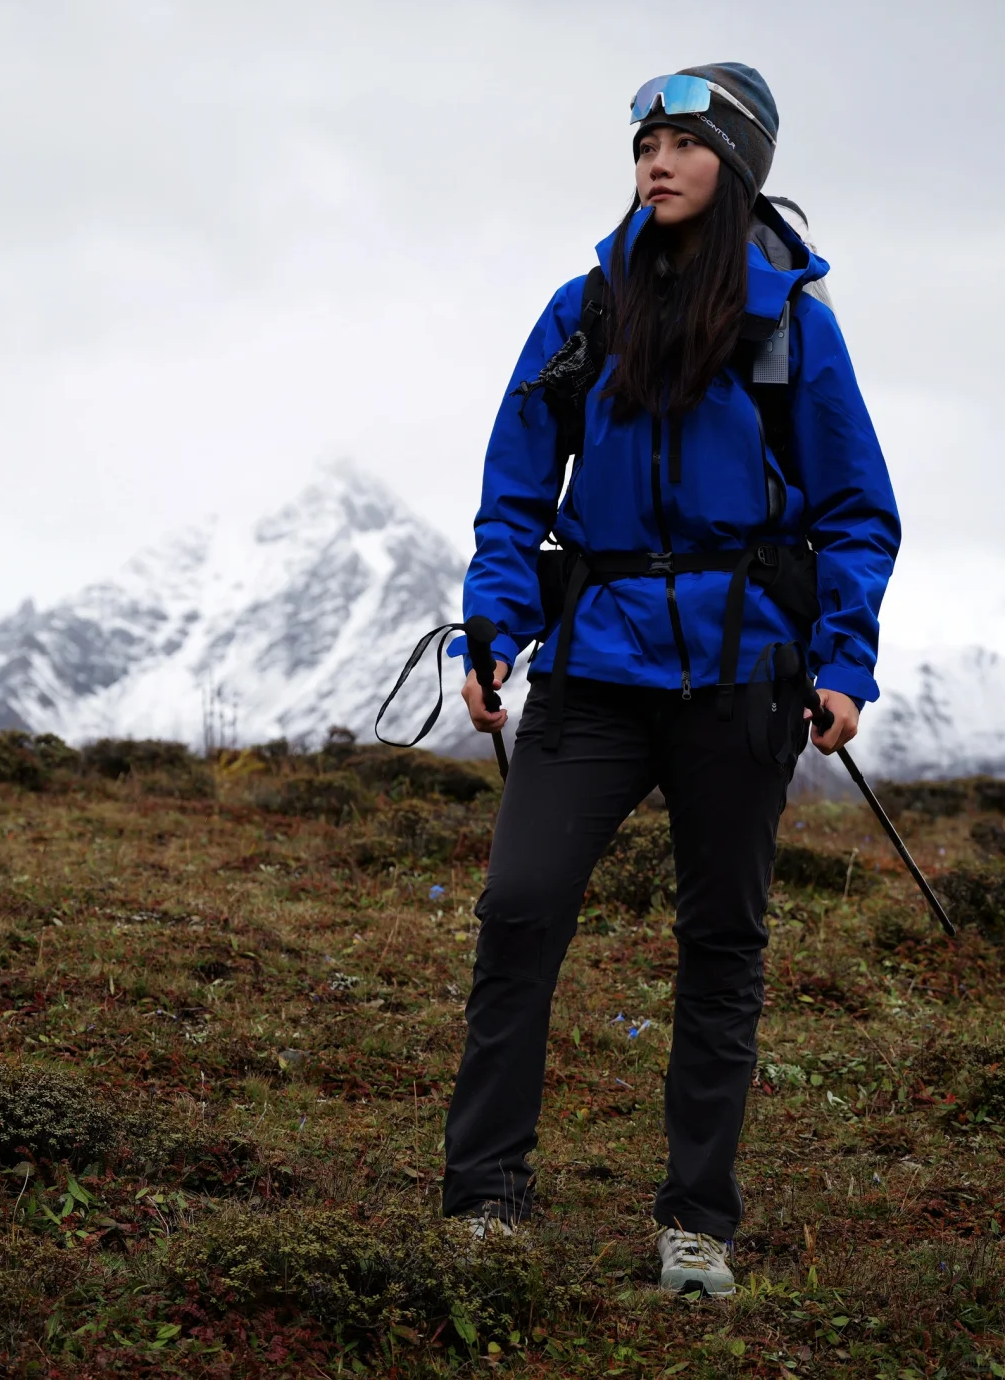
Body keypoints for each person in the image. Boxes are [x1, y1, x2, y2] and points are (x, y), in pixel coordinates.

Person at [441, 63, 900, 1295]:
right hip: (593, 664)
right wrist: (494, 626)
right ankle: (484, 1193)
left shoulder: (795, 324)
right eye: (647, 138)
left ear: (737, 164)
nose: (657, 158)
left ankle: (697, 1222)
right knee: (520, 909)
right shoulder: (584, 308)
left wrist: (843, 659)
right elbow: (514, 487)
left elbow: (858, 508)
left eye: (687, 142)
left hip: (742, 677)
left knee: (722, 944)